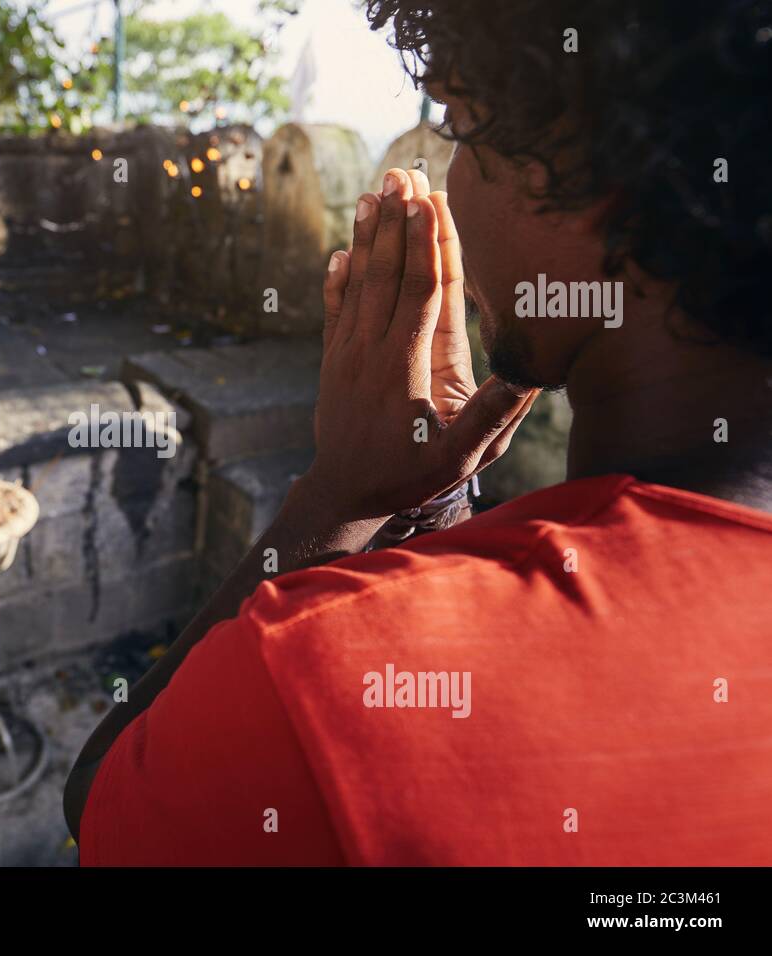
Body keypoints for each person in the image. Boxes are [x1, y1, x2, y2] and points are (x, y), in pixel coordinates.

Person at [64, 0, 772, 865]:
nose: (453, 184)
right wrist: (437, 507)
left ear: (591, 178)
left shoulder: (315, 684)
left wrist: (338, 498)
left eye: (463, 133)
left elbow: (101, 799)